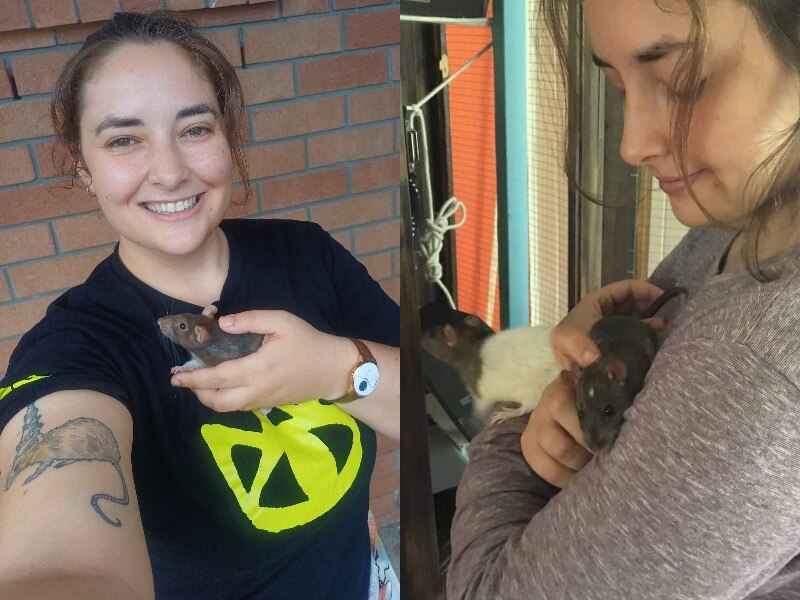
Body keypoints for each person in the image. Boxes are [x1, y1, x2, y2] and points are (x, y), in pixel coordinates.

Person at [0, 10, 399, 600]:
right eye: (124, 140)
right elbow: (59, 537)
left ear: (229, 136)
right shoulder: (77, 346)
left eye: (194, 129)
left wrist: (336, 368)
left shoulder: (306, 253)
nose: (169, 172)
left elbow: (430, 408)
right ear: (83, 166)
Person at [447, 0, 800, 598]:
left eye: (682, 83)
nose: (631, 145)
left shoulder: (754, 368)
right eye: (617, 85)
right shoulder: (742, 214)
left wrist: (512, 425)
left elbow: (484, 587)